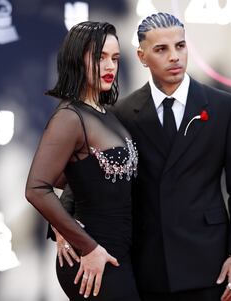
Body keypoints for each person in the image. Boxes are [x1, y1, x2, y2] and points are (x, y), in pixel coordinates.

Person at [58, 12, 231, 301]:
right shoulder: (121, 114)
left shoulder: (225, 108)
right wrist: (63, 225)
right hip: (146, 262)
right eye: (161, 49)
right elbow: (85, 177)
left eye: (180, 46)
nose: (174, 57)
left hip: (208, 261)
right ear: (142, 56)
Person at [25, 21, 140, 301]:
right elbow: (37, 189)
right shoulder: (70, 117)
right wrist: (86, 245)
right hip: (93, 259)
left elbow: (78, 176)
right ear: (77, 61)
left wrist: (63, 225)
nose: (110, 66)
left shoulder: (104, 113)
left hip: (116, 252)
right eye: (99, 57)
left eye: (114, 58)